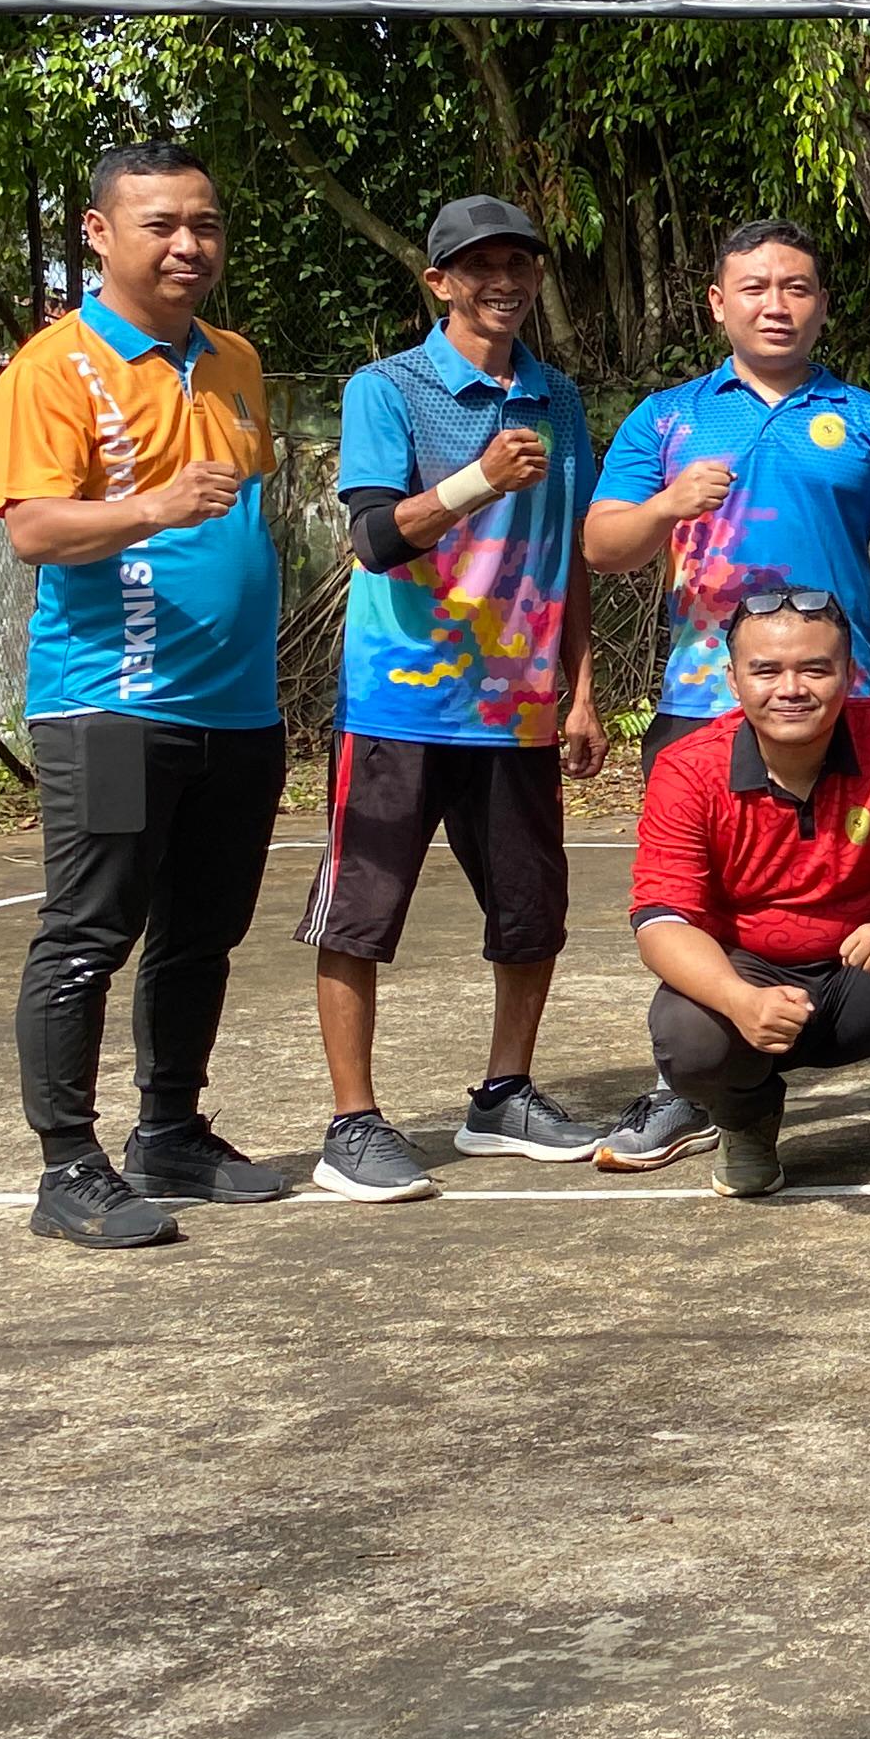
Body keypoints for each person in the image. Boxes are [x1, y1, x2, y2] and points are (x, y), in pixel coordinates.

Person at [585, 215, 870, 1172]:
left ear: (821, 303)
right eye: (754, 287)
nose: (776, 304)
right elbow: (602, 545)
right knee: (688, 898)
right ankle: (701, 1088)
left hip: (844, 706)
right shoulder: (668, 418)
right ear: (718, 303)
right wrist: (668, 505)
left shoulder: (869, 421)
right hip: (701, 700)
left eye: (796, 287)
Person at [0, 143, 295, 1246]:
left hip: (239, 714)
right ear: (99, 233)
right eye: (160, 224)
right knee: (89, 933)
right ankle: (68, 1166)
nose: (187, 245)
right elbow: (33, 527)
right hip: (111, 714)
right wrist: (154, 507)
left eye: (204, 224)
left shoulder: (234, 359)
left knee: (203, 934)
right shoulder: (53, 369)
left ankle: (170, 1132)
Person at [302, 196, 609, 1204]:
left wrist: (581, 692)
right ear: (439, 281)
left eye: (519, 263)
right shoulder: (387, 388)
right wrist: (477, 481)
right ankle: (352, 1123)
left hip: (518, 708)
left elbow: (568, 553)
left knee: (532, 911)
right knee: (358, 913)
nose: (503, 282)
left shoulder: (559, 400)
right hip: (399, 704)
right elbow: (373, 540)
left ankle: (504, 1096)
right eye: (480, 266)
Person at [627, 590, 870, 1212]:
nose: (791, 689)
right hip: (754, 977)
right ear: (733, 679)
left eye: (814, 669)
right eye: (766, 670)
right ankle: (746, 1120)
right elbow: (660, 918)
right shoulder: (688, 767)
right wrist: (739, 999)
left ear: (849, 674)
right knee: (686, 1031)